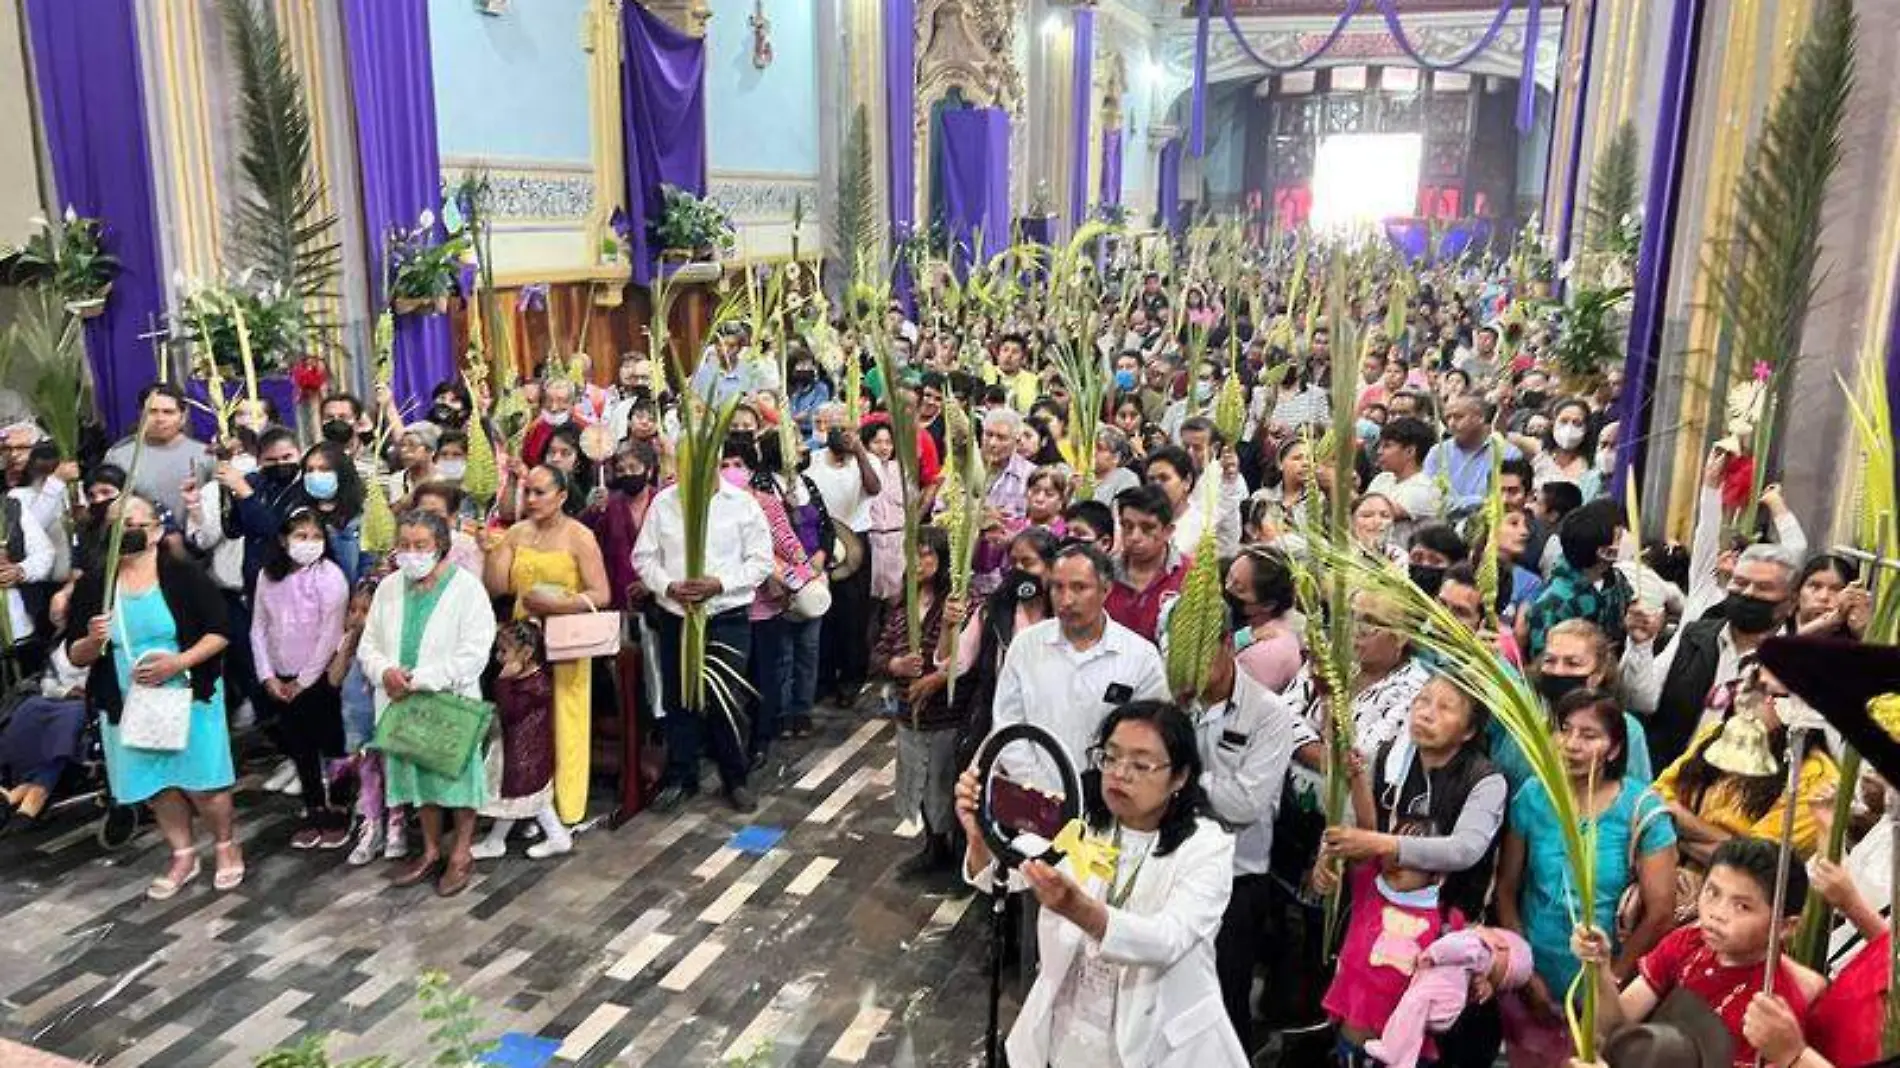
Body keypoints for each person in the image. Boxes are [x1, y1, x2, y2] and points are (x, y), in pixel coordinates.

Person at [953, 701, 1250, 1068]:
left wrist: (1079, 910)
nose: (1120, 774)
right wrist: (980, 836)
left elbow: (1168, 939)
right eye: (1111, 757)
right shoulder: (1083, 820)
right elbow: (1007, 872)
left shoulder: (1206, 845)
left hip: (1158, 1042)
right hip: (1068, 1030)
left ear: (1180, 777)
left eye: (1141, 765)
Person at [66, 492, 243, 899]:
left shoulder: (183, 575)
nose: (126, 530)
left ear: (157, 530)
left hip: (187, 693)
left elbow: (220, 631)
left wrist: (179, 663)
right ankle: (182, 852)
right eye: (117, 523)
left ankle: (225, 844)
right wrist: (93, 641)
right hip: (128, 702)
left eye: (135, 522)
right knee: (157, 783)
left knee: (204, 780)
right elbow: (75, 654)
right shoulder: (95, 585)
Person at [1495, 689, 1679, 1068]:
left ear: (1614, 749)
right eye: (1565, 729)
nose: (1572, 744)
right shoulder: (1533, 795)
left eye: (1589, 735)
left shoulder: (1642, 809)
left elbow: (1661, 910)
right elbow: (1507, 889)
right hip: (1535, 977)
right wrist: (1525, 973)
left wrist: (1608, 981)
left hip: (1607, 986)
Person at [1575, 837, 1824, 1068]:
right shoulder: (1687, 943)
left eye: (1742, 906)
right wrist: (1599, 969)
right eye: (1713, 893)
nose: (1717, 913)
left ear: (1785, 927)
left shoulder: (1772, 1011)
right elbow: (1615, 1029)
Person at [634, 436, 775, 814]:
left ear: (715, 464)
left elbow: (762, 561)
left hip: (724, 616)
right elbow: (643, 558)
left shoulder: (742, 505)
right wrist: (668, 586)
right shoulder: (664, 504)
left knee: (725, 699)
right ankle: (682, 775)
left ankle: (736, 777)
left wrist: (720, 583)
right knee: (680, 698)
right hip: (677, 615)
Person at [483, 465, 611, 827]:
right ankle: (527, 808)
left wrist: (558, 605)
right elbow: (497, 587)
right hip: (524, 644)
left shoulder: (579, 536)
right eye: (529, 492)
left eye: (541, 492)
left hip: (567, 639)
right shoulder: (517, 533)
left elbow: (602, 593)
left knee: (565, 719)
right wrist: (491, 551)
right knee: (526, 725)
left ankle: (565, 807)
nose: (533, 499)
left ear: (563, 496)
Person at [1191, 639, 1299, 1051]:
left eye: (1202, 654)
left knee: (1223, 1001)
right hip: (1175, 866)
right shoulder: (1172, 697)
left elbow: (1244, 804)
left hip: (1236, 879)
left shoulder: (1268, 714)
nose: (1192, 668)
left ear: (1224, 645)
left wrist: (1180, 777)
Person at [990, 544, 1169, 785]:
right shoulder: (1026, 645)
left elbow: (1149, 735)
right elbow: (1008, 723)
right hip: (1035, 794)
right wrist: (1039, 785)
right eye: (1057, 587)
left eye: (1079, 588)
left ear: (1106, 590)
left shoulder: (1140, 657)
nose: (1066, 600)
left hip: (1110, 797)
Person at [1624, 543, 1801, 770]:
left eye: (1763, 588)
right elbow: (1640, 701)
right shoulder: (1694, 636)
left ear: (1791, 603)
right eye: (1741, 583)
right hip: (1667, 782)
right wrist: (1640, 645)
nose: (1748, 593)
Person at [1651, 660, 1840, 868]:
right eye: (1748, 685)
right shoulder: (1716, 734)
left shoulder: (1817, 778)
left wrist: (1678, 835)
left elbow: (1755, 859)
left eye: (1765, 692)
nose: (1747, 698)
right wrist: (1726, 841)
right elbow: (1656, 797)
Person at [251, 509, 351, 849]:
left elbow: (330, 634)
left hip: (319, 677)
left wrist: (305, 680)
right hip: (281, 675)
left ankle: (339, 808)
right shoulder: (268, 576)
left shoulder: (330, 576)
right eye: (300, 537)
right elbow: (259, 628)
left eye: (315, 537)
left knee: (333, 743)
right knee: (301, 747)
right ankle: (313, 808)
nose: (309, 544)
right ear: (283, 540)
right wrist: (267, 674)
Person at [872, 525, 962, 879]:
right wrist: (895, 664)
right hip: (910, 714)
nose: (920, 561)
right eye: (914, 553)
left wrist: (936, 676)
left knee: (944, 781)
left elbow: (962, 661)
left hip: (945, 713)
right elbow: (878, 653)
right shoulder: (902, 604)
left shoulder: (955, 604)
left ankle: (953, 852)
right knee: (919, 782)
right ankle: (933, 846)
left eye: (928, 554)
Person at [473, 619, 570, 861]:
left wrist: (503, 682)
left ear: (526, 653)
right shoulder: (527, 682)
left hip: (525, 756)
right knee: (522, 801)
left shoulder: (536, 685)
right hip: (514, 752)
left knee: (521, 800)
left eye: (504, 651)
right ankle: (499, 840)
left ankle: (551, 837)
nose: (499, 657)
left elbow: (510, 714)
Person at [1522, 498, 1630, 664]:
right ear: (1605, 552)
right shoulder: (1554, 604)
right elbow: (1543, 665)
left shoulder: (1618, 582)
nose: (1629, 540)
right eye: (1620, 536)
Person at [104, 384, 210, 526]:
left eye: (168, 412)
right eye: (152, 412)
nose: (160, 419)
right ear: (140, 414)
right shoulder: (118, 457)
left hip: (197, 543)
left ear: (183, 417)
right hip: (137, 543)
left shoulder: (206, 455)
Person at [1103, 484, 1187, 644]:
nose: (1135, 537)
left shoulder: (1191, 576)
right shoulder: (1104, 572)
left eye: (1147, 528)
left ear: (1168, 531)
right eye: (1127, 526)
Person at [1225, 545, 1302, 694]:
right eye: (1229, 578)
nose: (1227, 588)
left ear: (1267, 605)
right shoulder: (1250, 630)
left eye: (1239, 589)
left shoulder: (1265, 654)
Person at [1365, 416, 1443, 544]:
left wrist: (1335, 485)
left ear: (1410, 451)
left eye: (1387, 446)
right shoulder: (1382, 478)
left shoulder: (1425, 488)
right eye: (1380, 446)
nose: (1379, 452)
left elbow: (1375, 513)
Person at [1090, 426, 1141, 504]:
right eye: (1091, 446)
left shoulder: (1127, 479)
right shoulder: (1082, 473)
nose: (1093, 451)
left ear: (1116, 457)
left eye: (1099, 448)